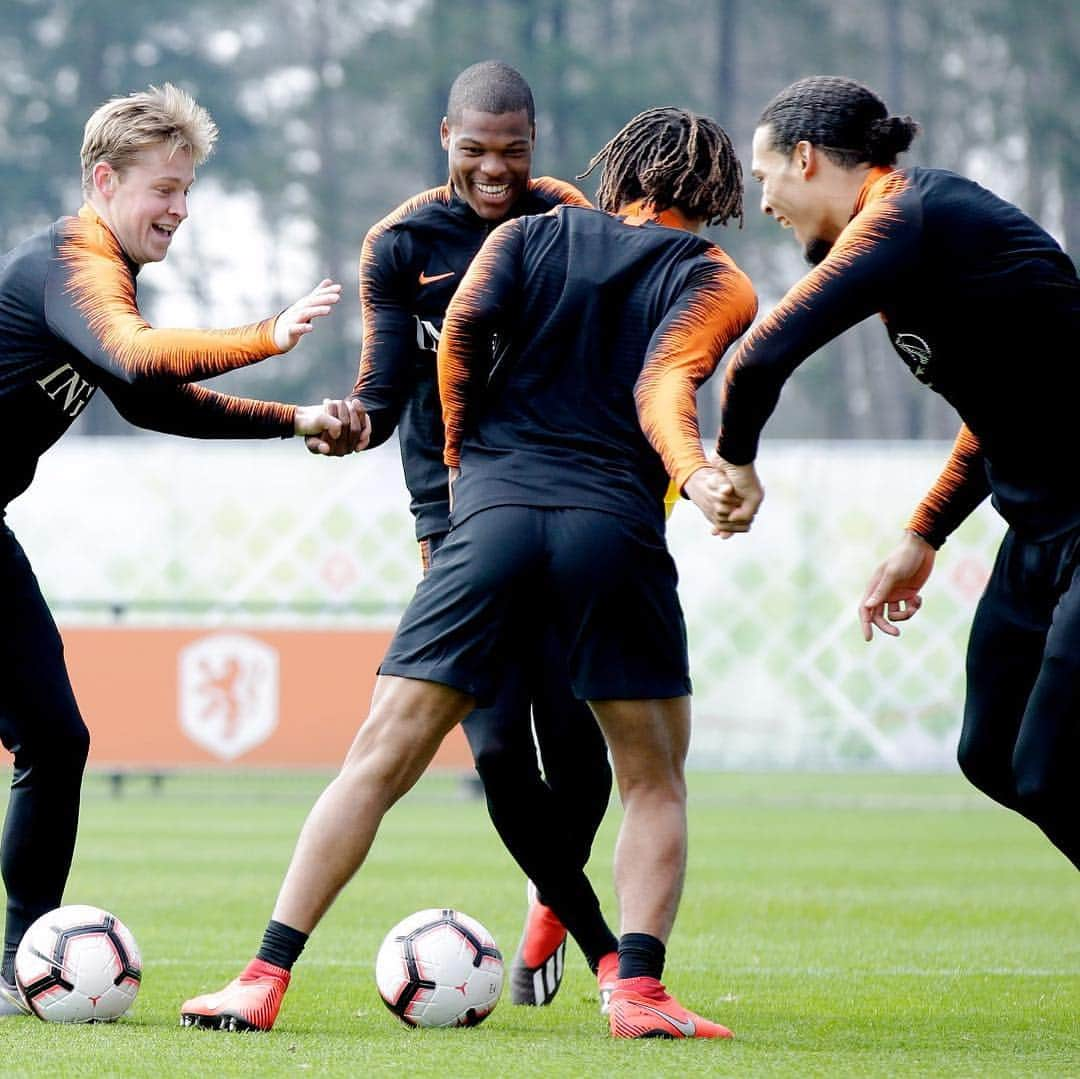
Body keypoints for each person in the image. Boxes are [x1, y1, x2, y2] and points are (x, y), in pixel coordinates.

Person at [180, 105, 757, 1039]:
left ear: (616, 169)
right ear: (717, 193)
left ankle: (260, 977)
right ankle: (639, 992)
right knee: (652, 779)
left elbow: (459, 343)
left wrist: (464, 465)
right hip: (612, 528)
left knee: (378, 758)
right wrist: (692, 476)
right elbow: (663, 386)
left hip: (484, 520)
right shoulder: (718, 280)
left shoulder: (526, 236)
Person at [0, 83, 354, 1017]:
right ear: (105, 180)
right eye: (166, 188)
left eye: (190, 189)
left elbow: (155, 401)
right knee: (49, 736)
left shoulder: (99, 275)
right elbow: (137, 357)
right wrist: (267, 337)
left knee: (54, 738)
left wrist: (298, 421)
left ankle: (12, 968)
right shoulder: (68, 265)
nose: (181, 209)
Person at [312, 60, 619, 1008]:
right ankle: (608, 953)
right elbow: (380, 381)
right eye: (477, 150)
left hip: (563, 504)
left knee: (580, 748)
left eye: (515, 150)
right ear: (445, 137)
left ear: (537, 141)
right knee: (494, 750)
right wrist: (349, 422)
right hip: (453, 522)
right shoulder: (401, 242)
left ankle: (546, 903)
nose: (497, 169)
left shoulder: (568, 216)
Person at [713, 75, 1080, 869]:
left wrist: (735, 462)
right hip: (1041, 530)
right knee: (991, 753)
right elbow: (996, 411)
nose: (763, 201)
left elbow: (759, 358)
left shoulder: (903, 217)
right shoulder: (905, 240)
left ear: (805, 158)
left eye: (764, 175)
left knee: (1049, 772)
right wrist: (924, 533)